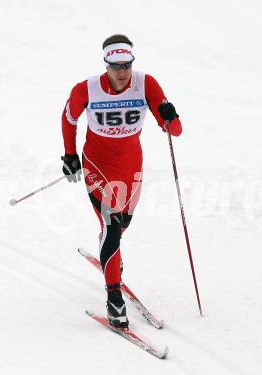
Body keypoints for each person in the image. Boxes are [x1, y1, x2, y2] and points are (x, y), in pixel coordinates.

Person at [61, 34, 182, 328]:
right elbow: (68, 118)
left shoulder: (146, 84)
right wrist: (69, 155)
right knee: (112, 224)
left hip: (130, 166)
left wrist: (169, 114)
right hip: (97, 165)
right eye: (116, 66)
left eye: (126, 65)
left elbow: (174, 131)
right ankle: (113, 296)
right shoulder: (87, 89)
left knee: (122, 224)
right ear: (106, 64)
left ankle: (110, 253)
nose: (122, 72)